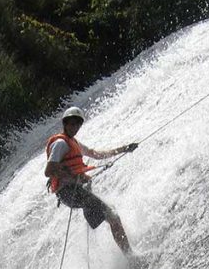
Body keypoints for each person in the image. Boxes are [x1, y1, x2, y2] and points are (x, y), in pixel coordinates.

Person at [45, 106, 139, 256]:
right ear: (65, 123)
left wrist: (124, 149)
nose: (75, 127)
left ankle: (127, 254)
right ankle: (130, 256)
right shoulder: (61, 143)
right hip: (68, 192)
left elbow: (95, 154)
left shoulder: (74, 143)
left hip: (75, 191)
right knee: (113, 217)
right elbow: (48, 171)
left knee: (112, 213)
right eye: (72, 124)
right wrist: (71, 175)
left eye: (78, 124)